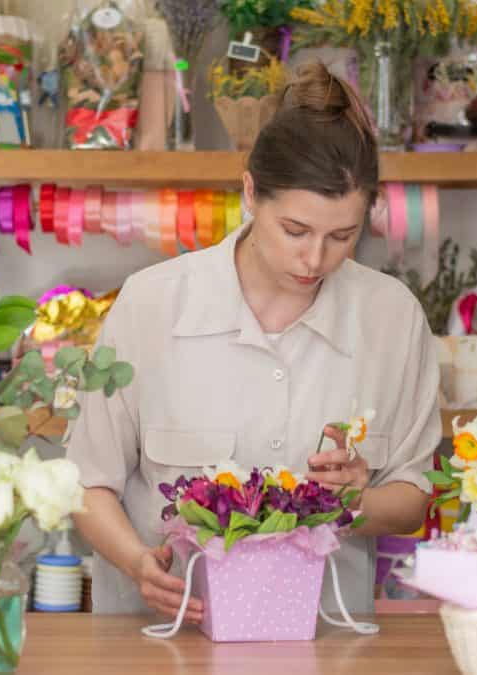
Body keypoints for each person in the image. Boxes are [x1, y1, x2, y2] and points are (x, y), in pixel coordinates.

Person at [66, 61, 441, 621]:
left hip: (325, 644)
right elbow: (85, 483)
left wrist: (354, 500)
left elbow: (412, 499)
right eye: (295, 231)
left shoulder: (393, 320)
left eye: (343, 236)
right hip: (162, 641)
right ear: (249, 193)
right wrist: (137, 562)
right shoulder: (151, 305)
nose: (315, 259)